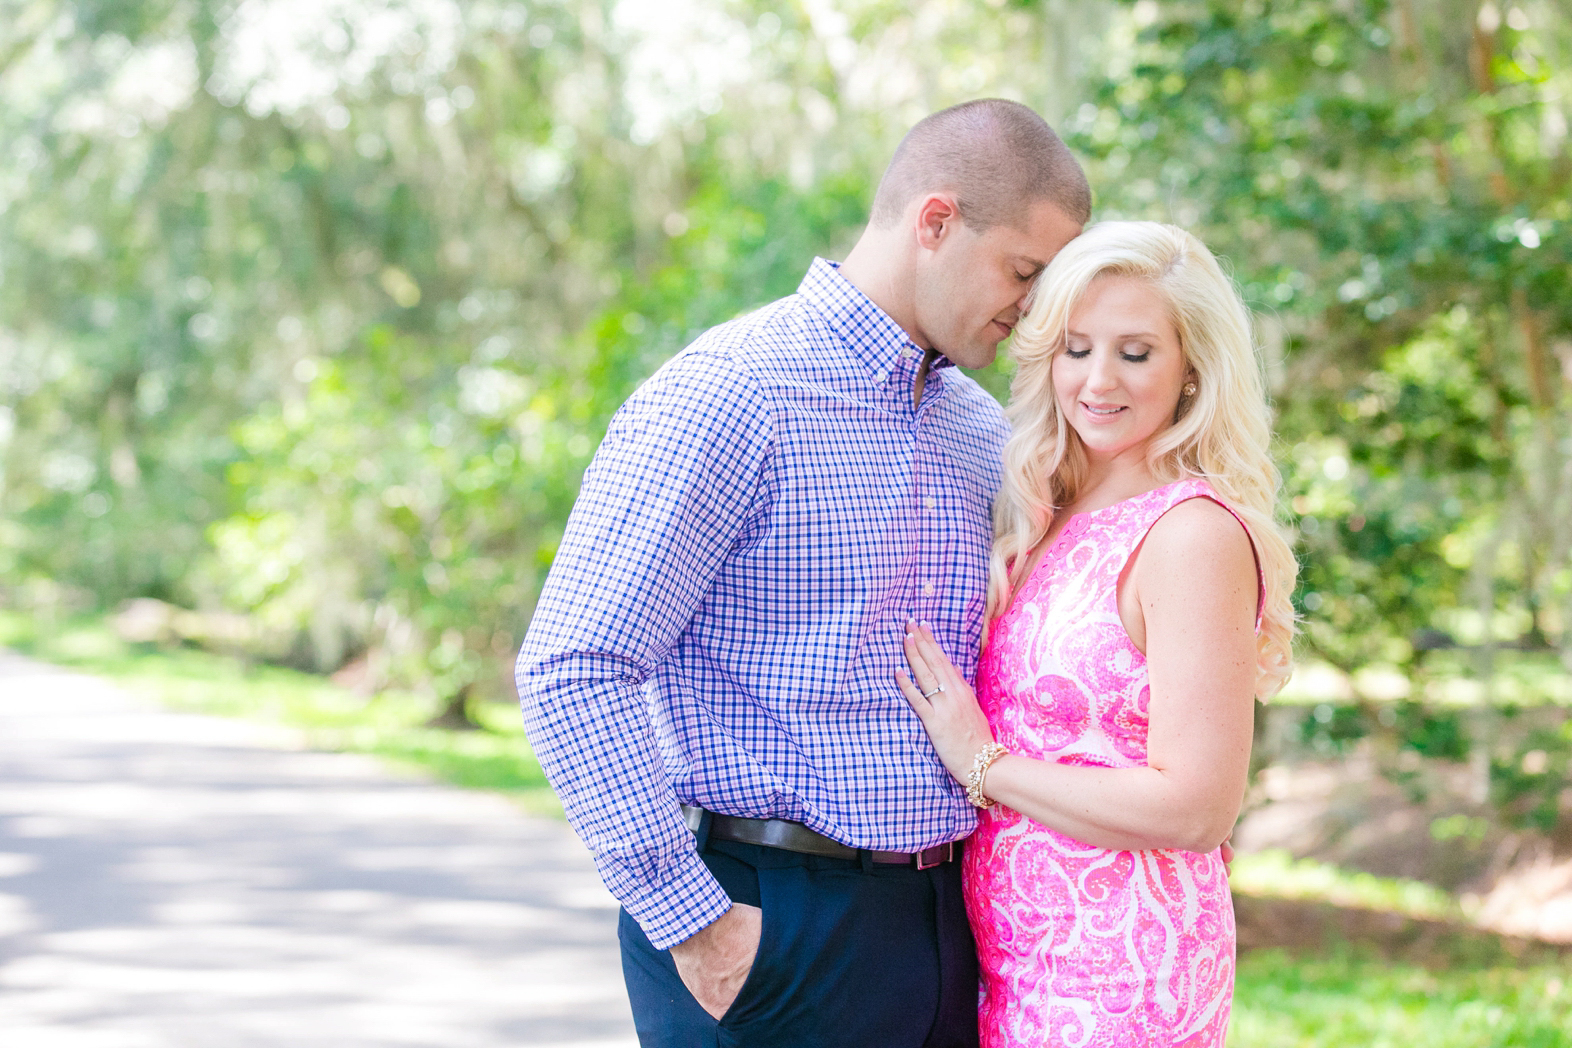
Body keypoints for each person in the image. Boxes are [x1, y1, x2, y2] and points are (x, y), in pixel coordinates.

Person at [516, 99, 1088, 1048]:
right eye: (1023, 271)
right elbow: (574, 669)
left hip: (941, 923)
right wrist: (695, 923)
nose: (1032, 307)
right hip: (767, 919)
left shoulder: (981, 432)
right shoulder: (731, 395)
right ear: (935, 223)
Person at [895, 221, 1298, 1047]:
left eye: (1136, 353)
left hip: (1120, 976)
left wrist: (984, 762)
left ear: (1193, 370)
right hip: (1013, 960)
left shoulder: (1190, 534)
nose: (1098, 380)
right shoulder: (1047, 514)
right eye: (1076, 348)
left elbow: (1195, 806)